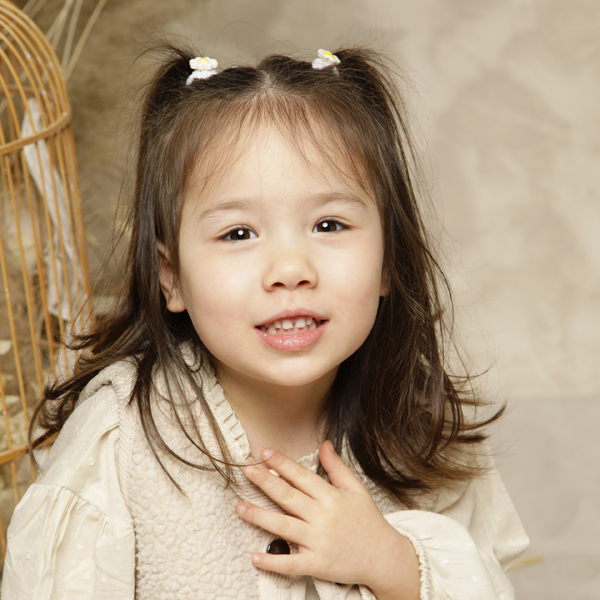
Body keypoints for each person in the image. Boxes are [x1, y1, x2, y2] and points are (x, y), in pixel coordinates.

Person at [1, 46, 528, 600]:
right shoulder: (122, 439)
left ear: (387, 261)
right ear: (171, 278)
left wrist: (393, 564)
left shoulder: (416, 427)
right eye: (238, 234)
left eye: (329, 224)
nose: (289, 270)